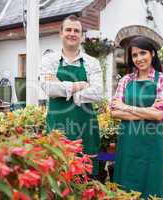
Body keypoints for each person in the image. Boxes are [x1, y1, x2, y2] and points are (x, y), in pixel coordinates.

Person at [40, 15, 103, 175]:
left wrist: (67, 91)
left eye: (77, 31)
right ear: (60, 33)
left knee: (85, 179)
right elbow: (49, 88)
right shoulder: (49, 61)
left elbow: (98, 93)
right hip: (57, 127)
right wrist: (80, 85)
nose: (72, 33)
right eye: (68, 29)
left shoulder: (92, 62)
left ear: (81, 36)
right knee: (58, 175)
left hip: (85, 127)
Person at [111, 36, 163, 198]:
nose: (139, 58)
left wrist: (127, 107)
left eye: (142, 53)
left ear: (152, 54)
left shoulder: (162, 80)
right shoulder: (126, 80)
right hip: (127, 143)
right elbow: (114, 111)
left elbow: (159, 114)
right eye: (134, 55)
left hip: (151, 144)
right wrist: (147, 112)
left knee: (150, 187)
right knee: (124, 187)